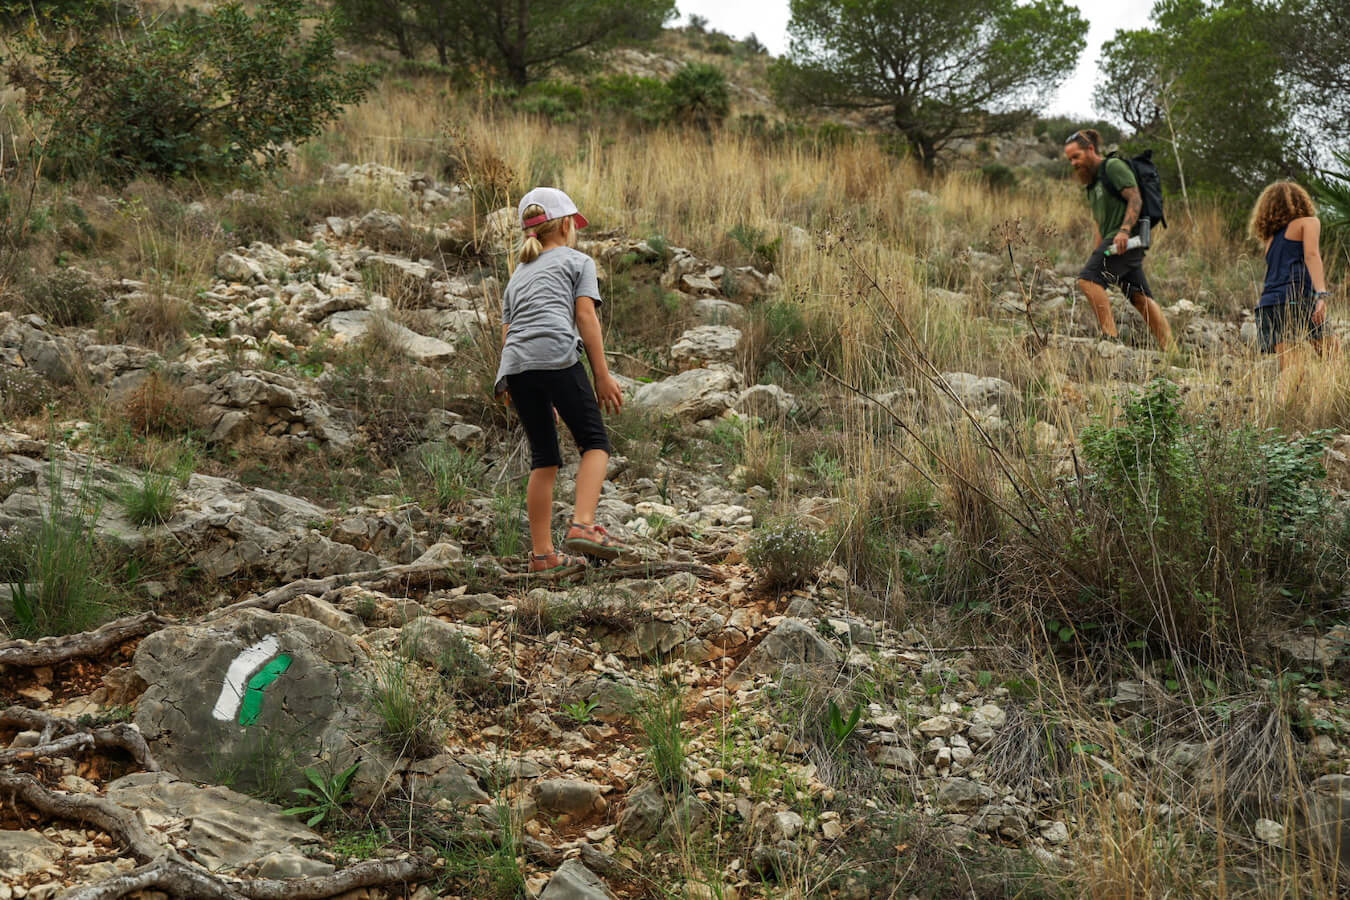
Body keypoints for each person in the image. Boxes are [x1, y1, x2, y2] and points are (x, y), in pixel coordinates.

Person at [494, 187, 627, 572]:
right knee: (595, 443)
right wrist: (601, 376)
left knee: (544, 458)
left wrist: (516, 386)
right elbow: (585, 317)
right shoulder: (577, 261)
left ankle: (542, 556)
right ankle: (583, 524)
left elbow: (509, 334)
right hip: (556, 354)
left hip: (516, 367)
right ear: (567, 225)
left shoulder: (516, 276)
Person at [1064, 129, 1174, 349]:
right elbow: (1099, 223)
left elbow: (1135, 197)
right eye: (1070, 160)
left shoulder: (1112, 167)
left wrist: (1124, 230)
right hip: (1113, 242)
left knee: (1088, 280)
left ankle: (1110, 339)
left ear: (1090, 149)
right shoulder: (1092, 185)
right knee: (1139, 296)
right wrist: (1097, 252)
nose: (1073, 163)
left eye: (1076, 156)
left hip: (1127, 239)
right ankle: (1172, 350)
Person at [1247, 181, 1332, 368]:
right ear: (1302, 201)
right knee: (1334, 357)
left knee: (1292, 370)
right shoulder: (1308, 222)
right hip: (1298, 300)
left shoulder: (1270, 239)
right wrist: (1321, 294)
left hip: (1269, 304)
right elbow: (1311, 255)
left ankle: (1284, 399)